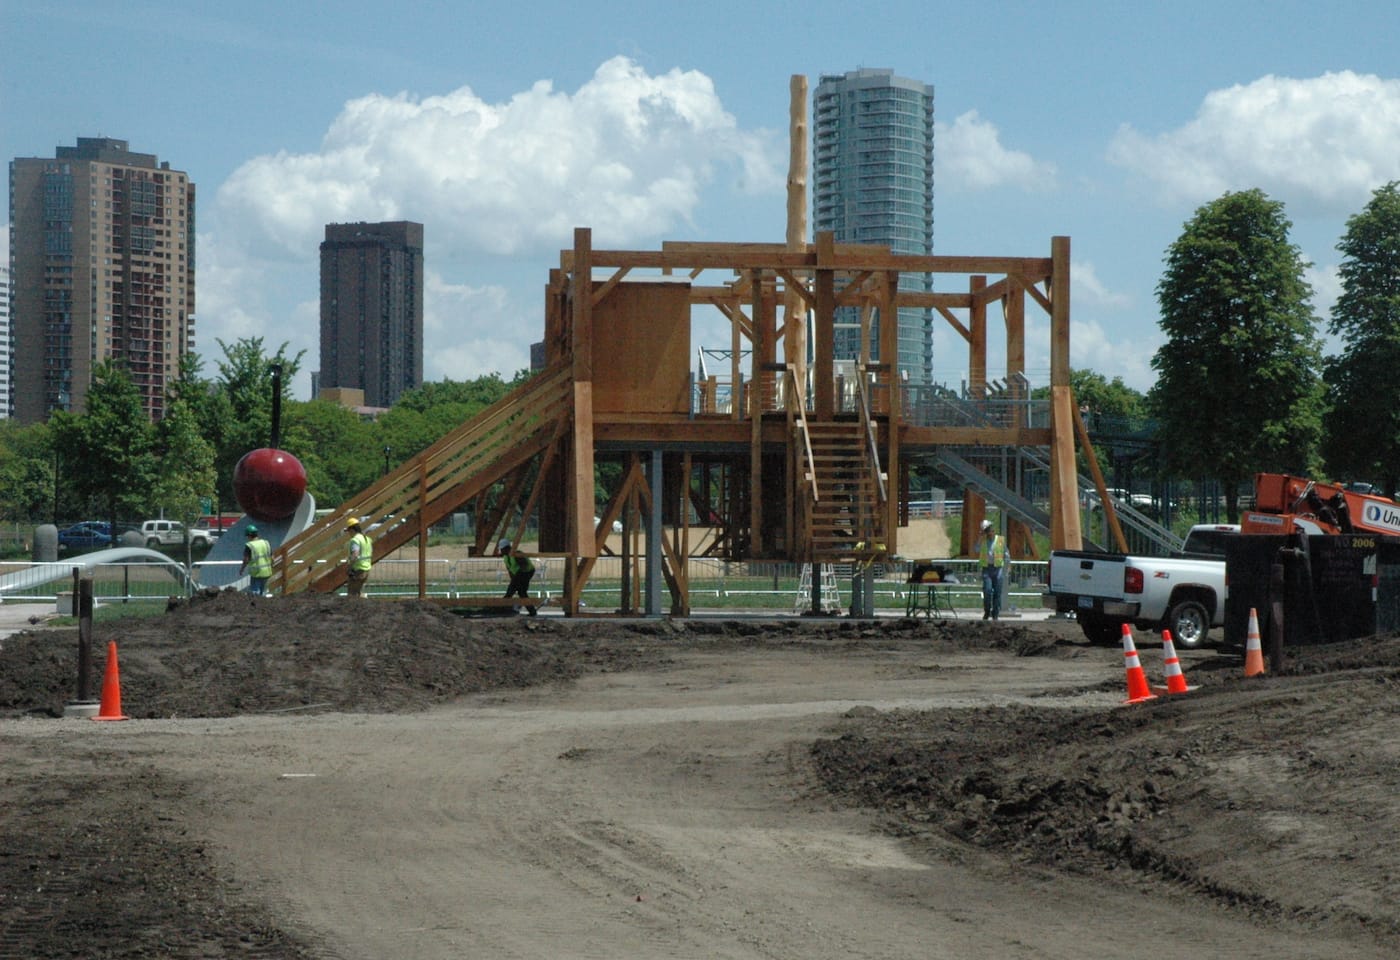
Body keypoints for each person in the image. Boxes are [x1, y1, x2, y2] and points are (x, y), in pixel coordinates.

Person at [976, 518, 1008, 620]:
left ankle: (995, 614)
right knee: (987, 590)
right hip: (987, 569)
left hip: (998, 569)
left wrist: (1008, 566)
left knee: (997, 593)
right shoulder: (983, 541)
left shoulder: (1000, 540)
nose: (989, 533)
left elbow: (1006, 554)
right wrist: (980, 538)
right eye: (986, 531)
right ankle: (987, 611)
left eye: (989, 530)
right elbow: (976, 549)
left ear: (993, 530)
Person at [497, 539, 537, 615]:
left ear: (507, 548)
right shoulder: (506, 557)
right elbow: (510, 570)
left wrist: (516, 582)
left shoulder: (517, 554)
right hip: (519, 574)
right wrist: (513, 580)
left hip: (526, 572)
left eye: (501, 549)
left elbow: (524, 566)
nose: (500, 551)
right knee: (521, 593)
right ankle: (532, 611)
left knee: (512, 591)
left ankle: (503, 607)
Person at [239, 525, 273, 596]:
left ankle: (256, 606)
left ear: (249, 535)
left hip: (256, 573)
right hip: (267, 572)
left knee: (255, 593)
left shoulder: (249, 545)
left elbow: (246, 560)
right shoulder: (266, 543)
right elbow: (272, 557)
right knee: (263, 592)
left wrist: (242, 569)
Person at [345, 516, 373, 598]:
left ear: (352, 529)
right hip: (366, 569)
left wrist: (349, 567)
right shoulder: (367, 539)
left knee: (352, 595)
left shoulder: (355, 540)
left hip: (357, 570)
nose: (348, 533)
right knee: (358, 593)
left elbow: (355, 554)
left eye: (348, 531)